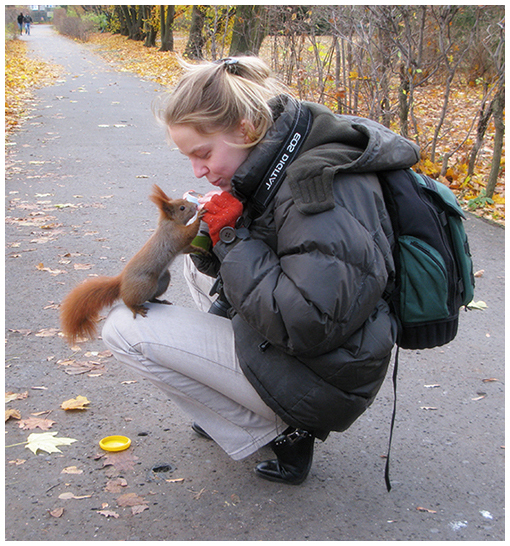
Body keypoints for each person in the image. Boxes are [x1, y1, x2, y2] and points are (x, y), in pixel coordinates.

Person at [102, 56, 420, 485]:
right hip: (324, 352)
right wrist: (211, 238)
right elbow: (274, 259)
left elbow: (308, 323)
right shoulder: (277, 157)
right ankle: (241, 397)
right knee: (197, 272)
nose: (198, 170)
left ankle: (281, 429)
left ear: (246, 128)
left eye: (203, 154)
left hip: (323, 378)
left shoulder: (314, 189)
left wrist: (232, 236)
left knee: (123, 328)